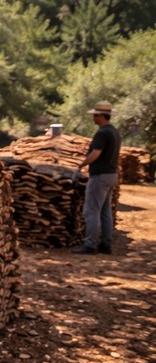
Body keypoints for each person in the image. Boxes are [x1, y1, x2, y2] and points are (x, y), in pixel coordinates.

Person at [71, 100, 121, 255]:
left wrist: (82, 165)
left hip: (100, 176)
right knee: (105, 211)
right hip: (112, 175)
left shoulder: (102, 133)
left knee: (91, 210)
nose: (93, 118)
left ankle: (90, 245)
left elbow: (96, 153)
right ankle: (106, 244)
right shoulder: (114, 132)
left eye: (95, 115)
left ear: (101, 116)